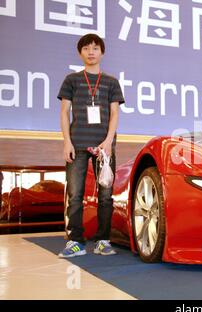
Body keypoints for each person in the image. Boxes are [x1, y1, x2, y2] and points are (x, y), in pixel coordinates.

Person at [58, 33, 125, 257]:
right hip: (76, 143)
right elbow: (64, 112)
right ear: (80, 53)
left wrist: (108, 141)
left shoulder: (111, 82)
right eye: (86, 48)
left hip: (104, 147)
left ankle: (103, 240)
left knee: (106, 195)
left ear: (102, 52)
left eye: (95, 48)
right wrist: (66, 141)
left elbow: (115, 113)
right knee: (75, 194)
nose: (91, 52)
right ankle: (74, 241)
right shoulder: (71, 80)